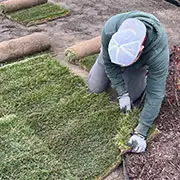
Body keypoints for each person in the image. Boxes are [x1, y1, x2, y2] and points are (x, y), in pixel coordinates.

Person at [88, 11, 169, 153]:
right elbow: (109, 62)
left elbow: (156, 93)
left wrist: (141, 131)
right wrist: (121, 92)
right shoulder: (110, 28)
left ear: (141, 50)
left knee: (132, 97)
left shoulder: (157, 50)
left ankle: (139, 76)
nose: (121, 67)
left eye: (124, 63)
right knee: (94, 88)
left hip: (138, 65)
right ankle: (120, 73)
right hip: (112, 56)